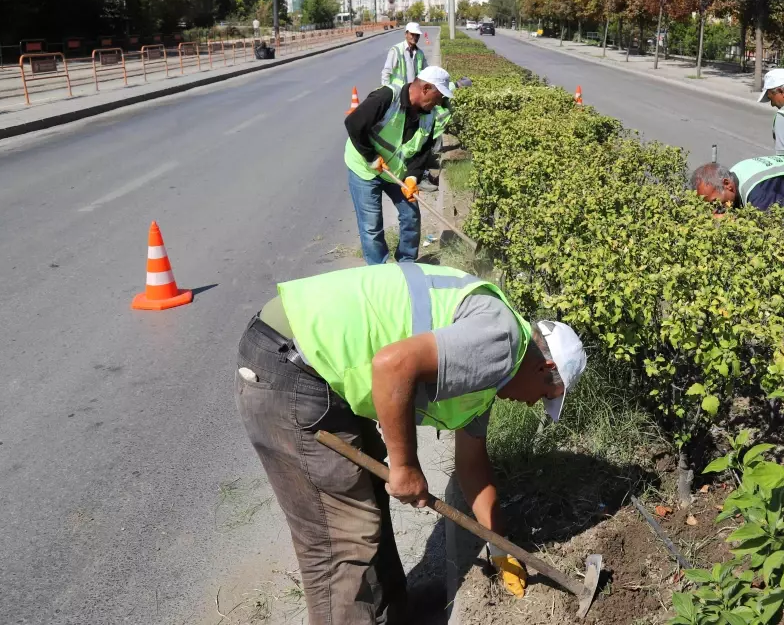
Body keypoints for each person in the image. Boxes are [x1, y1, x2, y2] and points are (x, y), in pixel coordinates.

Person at [236, 262, 588, 625]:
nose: (535, 404)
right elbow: (393, 365)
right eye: (547, 394)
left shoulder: (490, 370)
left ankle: (394, 615)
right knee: (342, 541)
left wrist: (498, 544)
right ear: (544, 367)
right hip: (291, 364)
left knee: (368, 497)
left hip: (320, 369)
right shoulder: (502, 343)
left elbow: (472, 466)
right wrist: (405, 467)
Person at [345, 65, 451, 266]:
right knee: (371, 226)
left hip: (397, 173)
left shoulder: (429, 118)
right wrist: (370, 157)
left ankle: (406, 263)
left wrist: (412, 177)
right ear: (426, 88)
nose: (438, 102)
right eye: (437, 97)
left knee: (411, 216)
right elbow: (353, 123)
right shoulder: (387, 97)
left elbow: (421, 152)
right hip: (365, 169)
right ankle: (379, 270)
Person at [381, 22, 427, 90]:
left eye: (417, 35)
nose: (415, 37)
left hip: (412, 93)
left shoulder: (420, 53)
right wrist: (386, 92)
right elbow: (386, 73)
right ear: (406, 34)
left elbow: (426, 72)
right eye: (412, 34)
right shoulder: (396, 50)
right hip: (398, 93)